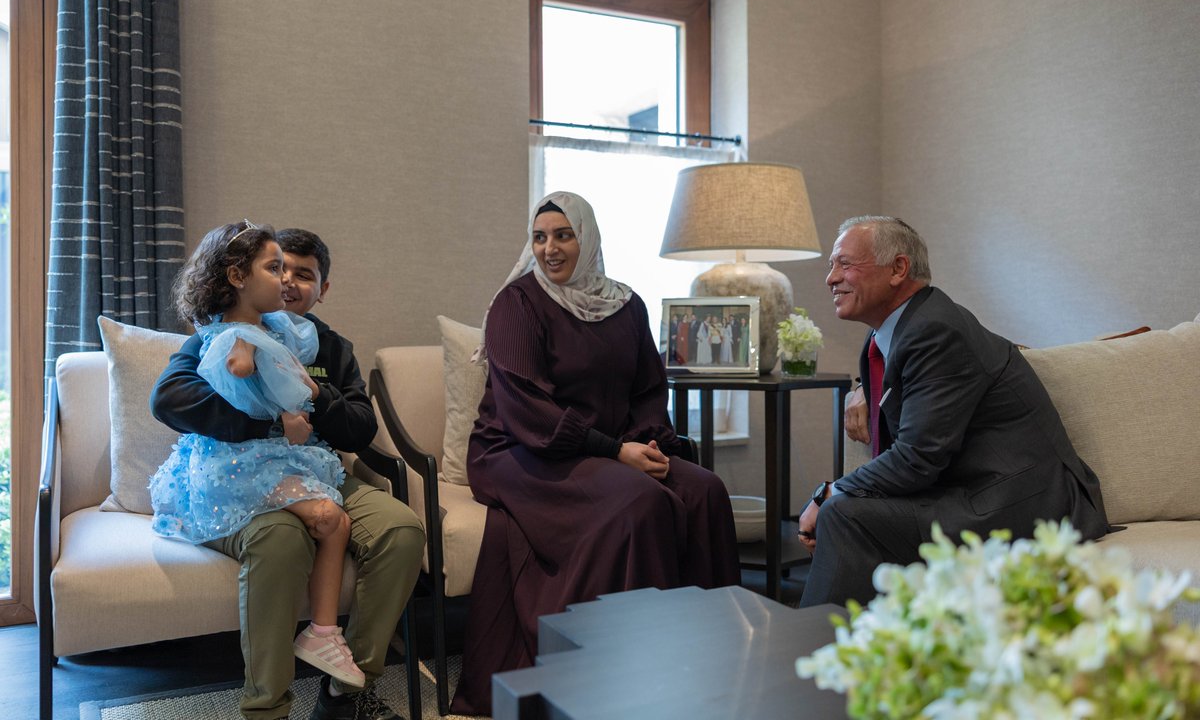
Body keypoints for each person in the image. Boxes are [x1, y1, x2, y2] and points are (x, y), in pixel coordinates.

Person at [450, 192, 741, 716]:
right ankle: (622, 678)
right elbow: (527, 408)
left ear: (588, 239)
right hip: (521, 449)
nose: (550, 249)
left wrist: (648, 443)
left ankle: (708, 664)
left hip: (613, 449)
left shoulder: (626, 305)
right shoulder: (516, 304)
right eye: (539, 237)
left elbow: (648, 390)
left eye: (563, 235)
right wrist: (615, 452)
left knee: (704, 490)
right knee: (638, 503)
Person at [151, 223, 425, 720]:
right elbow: (171, 397)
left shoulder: (329, 347)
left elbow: (360, 428)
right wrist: (265, 422)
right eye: (280, 270)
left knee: (402, 529)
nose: (288, 283)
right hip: (247, 474)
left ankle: (347, 689)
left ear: (323, 289)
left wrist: (317, 396)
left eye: (303, 274)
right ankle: (267, 708)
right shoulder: (225, 332)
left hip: (323, 468)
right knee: (279, 541)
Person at [797, 216, 1108, 608]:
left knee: (844, 514)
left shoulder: (936, 330)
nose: (831, 278)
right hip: (965, 488)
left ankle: (813, 655)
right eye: (831, 265)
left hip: (1020, 500)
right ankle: (865, 652)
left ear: (898, 269)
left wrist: (829, 493)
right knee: (846, 512)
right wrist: (863, 392)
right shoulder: (893, 332)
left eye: (845, 264)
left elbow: (917, 458)